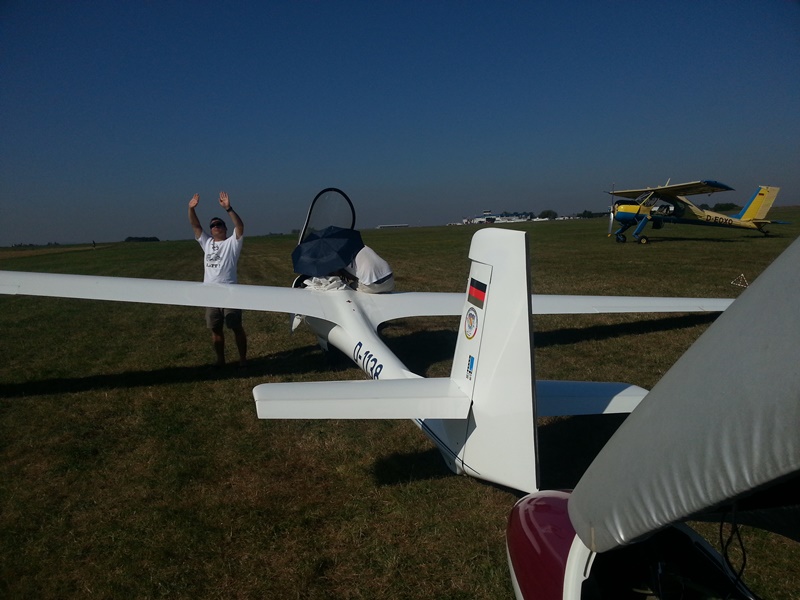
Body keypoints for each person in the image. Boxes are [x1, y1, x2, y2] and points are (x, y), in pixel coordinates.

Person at [188, 191, 248, 367]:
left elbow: (240, 226)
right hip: (211, 294)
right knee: (215, 329)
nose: (215, 226)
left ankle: (243, 360)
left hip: (230, 292)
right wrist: (191, 209)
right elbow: (196, 226)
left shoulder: (232, 243)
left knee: (236, 327)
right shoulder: (207, 243)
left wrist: (228, 208)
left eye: (219, 224)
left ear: (225, 228)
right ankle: (220, 361)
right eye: (213, 225)